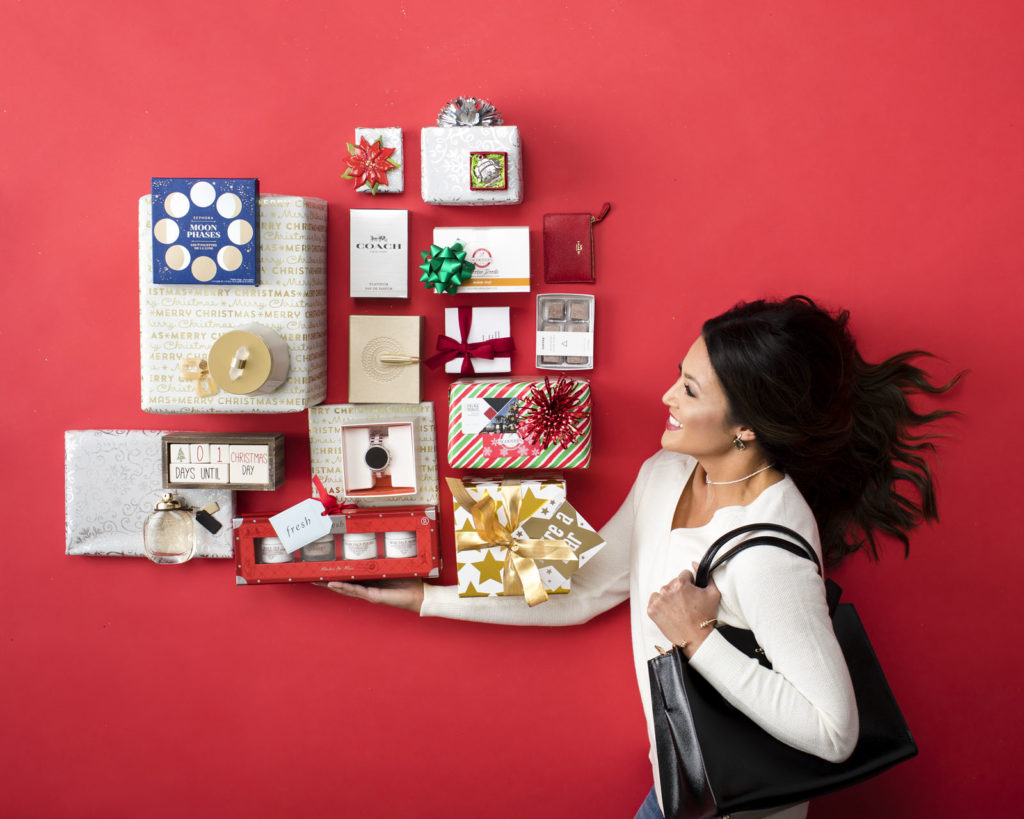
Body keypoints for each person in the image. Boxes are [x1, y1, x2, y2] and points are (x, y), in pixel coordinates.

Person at [325, 295, 958, 819]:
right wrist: (424, 596)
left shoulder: (769, 548)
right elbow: (588, 587)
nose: (666, 397)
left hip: (741, 804)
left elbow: (835, 734)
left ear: (748, 426)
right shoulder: (667, 472)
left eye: (688, 388)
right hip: (682, 784)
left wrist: (698, 638)